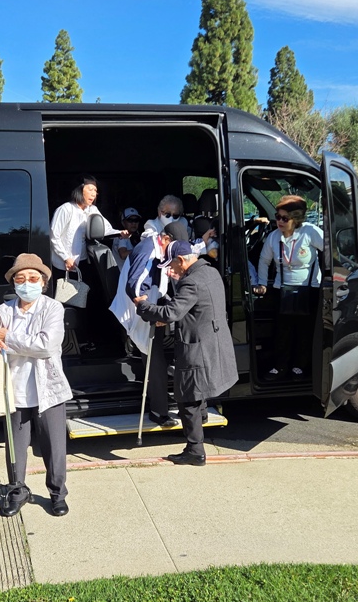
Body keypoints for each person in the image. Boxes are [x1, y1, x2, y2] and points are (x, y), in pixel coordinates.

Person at [0, 253, 73, 517]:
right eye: (20, 278)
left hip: (49, 390)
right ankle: (17, 491)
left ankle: (57, 494)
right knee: (15, 447)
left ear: (43, 282)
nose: (26, 283)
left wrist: (7, 337)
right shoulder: (3, 311)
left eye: (33, 278)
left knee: (54, 446)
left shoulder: (52, 308)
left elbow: (46, 345)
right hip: (14, 390)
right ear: (13, 283)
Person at [135, 241, 239, 465]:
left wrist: (143, 306)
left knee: (187, 397)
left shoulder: (191, 282)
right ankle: (202, 421)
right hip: (213, 341)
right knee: (198, 391)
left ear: (181, 260)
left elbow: (172, 313)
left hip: (197, 347)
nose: (171, 269)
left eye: (171, 264)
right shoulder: (210, 272)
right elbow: (195, 308)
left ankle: (195, 450)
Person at [109, 223, 185, 426]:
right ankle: (159, 412)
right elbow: (134, 287)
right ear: (166, 239)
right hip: (140, 307)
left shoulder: (157, 246)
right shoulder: (148, 250)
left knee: (154, 355)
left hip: (154, 300)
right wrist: (150, 315)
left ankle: (162, 402)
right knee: (154, 358)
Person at [252, 195, 325, 378]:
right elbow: (264, 261)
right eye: (278, 217)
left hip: (308, 289)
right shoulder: (273, 237)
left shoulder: (310, 232)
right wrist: (262, 283)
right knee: (282, 332)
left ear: (296, 219)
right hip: (282, 289)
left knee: (304, 331)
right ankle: (281, 366)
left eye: (285, 218)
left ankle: (300, 365)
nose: (280, 221)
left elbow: (331, 251)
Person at [49, 175, 126, 275]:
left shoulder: (92, 209)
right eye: (90, 190)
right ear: (80, 190)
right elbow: (54, 236)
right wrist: (66, 258)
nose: (94, 194)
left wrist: (120, 233)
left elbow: (104, 228)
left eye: (95, 191)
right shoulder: (66, 209)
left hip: (82, 259)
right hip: (64, 264)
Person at [142, 194, 217, 256]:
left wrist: (204, 240)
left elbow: (187, 245)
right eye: (167, 214)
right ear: (159, 212)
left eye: (175, 215)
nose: (171, 218)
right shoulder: (152, 224)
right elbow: (149, 239)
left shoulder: (183, 223)